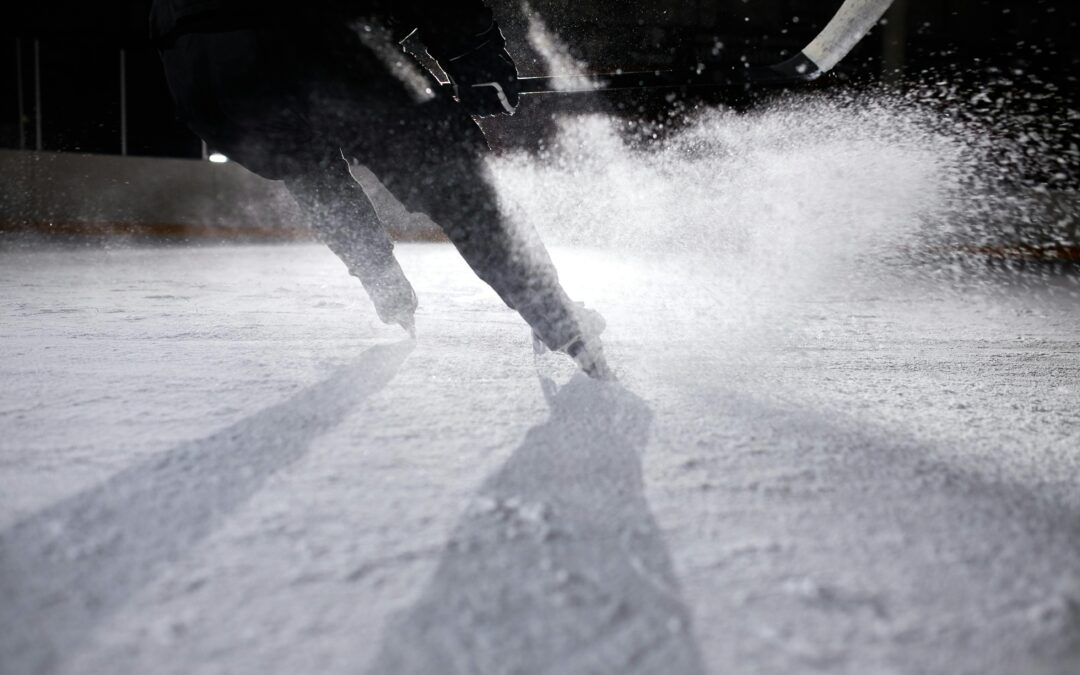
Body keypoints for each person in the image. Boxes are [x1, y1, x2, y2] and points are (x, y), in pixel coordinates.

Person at [151, 0, 611, 378]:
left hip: (202, 79)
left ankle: (385, 285)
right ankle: (553, 313)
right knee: (452, 173)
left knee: (311, 172)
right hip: (311, 37)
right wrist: (476, 57)